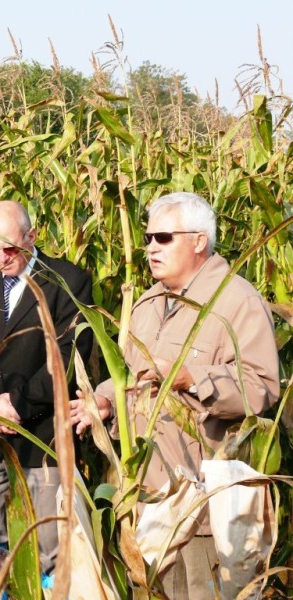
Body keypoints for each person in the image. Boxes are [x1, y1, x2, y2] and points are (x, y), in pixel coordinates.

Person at [70, 192, 280, 598]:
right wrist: (105, 401)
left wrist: (193, 377)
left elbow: (262, 387)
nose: (150, 247)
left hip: (206, 506)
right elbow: (130, 375)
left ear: (199, 240)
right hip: (148, 497)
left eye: (163, 237)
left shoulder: (237, 300)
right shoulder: (147, 303)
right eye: (148, 237)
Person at [0, 200, 92, 583]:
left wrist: (17, 403)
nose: (1, 258)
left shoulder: (68, 280)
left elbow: (69, 354)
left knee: (46, 545)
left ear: (32, 235)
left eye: (10, 248)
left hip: (41, 438)